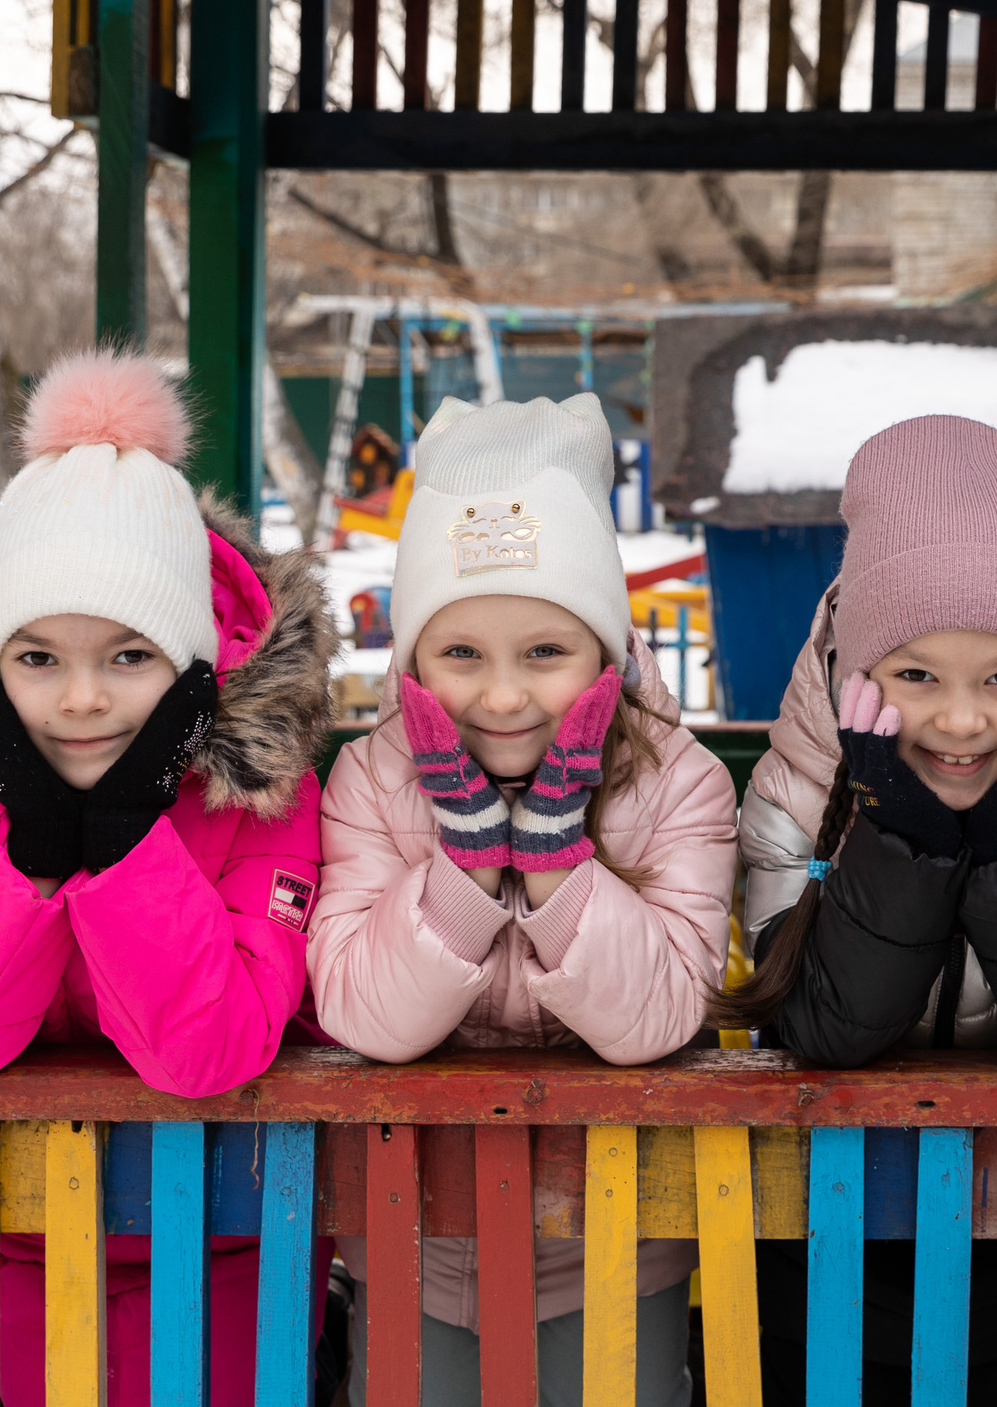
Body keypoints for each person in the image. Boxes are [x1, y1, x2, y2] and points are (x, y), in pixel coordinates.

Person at [0, 349, 335, 1407]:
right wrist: (26, 847)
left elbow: (209, 1049)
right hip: (20, 1231)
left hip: (232, 1236)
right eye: (38, 659)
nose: (80, 700)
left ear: (192, 667)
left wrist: (123, 845)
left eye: (128, 657)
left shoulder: (260, 791)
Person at [716, 414, 997, 1407]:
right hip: (811, 1233)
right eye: (917, 675)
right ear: (859, 671)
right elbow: (820, 1026)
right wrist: (900, 835)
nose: (962, 721)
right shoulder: (801, 782)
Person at [306, 393, 737, 1407]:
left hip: (618, 1235)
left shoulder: (676, 784)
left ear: (606, 652)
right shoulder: (373, 782)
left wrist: (553, 862)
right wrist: (462, 865)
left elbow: (660, 1016)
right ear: (412, 660)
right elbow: (365, 1013)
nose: (502, 697)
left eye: (544, 652)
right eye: (461, 654)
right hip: (414, 1229)